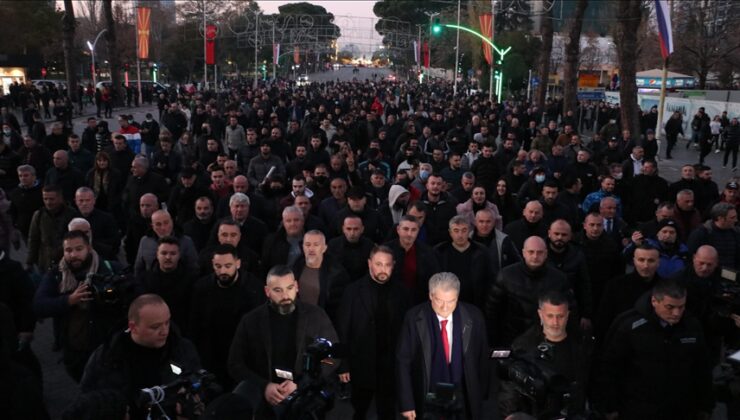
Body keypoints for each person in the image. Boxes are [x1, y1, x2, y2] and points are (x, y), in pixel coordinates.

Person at [227, 265, 339, 419]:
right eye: (278, 290)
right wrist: (264, 386)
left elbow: (333, 357)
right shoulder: (251, 321)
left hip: (305, 402)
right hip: (264, 404)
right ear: (267, 291)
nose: (285, 295)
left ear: (297, 287)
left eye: (290, 288)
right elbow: (235, 363)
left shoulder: (316, 316)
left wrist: (301, 385)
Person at [598, 278, 713, 419]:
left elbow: (702, 368)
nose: (676, 313)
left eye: (681, 307)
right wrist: (609, 406)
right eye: (670, 307)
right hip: (638, 408)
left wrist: (705, 405)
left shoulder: (692, 326)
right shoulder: (629, 326)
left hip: (680, 409)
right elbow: (610, 367)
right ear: (654, 301)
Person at [79, 294, 201, 420]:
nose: (164, 331)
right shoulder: (107, 357)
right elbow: (90, 401)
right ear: (133, 327)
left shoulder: (182, 349)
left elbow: (198, 382)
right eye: (155, 327)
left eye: (167, 322)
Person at [396, 272, 493, 420]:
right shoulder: (414, 318)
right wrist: (407, 403)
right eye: (439, 300)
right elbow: (403, 362)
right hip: (428, 391)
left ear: (458, 297)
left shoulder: (474, 316)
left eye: (451, 301)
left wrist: (481, 394)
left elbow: (482, 357)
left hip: (464, 391)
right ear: (430, 295)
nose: (445, 307)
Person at [33, 230, 124, 382]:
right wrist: (69, 300)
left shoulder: (110, 269)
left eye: (78, 249)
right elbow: (39, 306)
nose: (73, 254)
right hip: (76, 350)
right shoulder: (57, 275)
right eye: (68, 250)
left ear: (88, 248)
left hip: (109, 347)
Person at [337, 246, 411, 420]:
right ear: (370, 264)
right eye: (378, 264)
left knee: (387, 411)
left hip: (390, 364)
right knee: (358, 409)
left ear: (393, 265)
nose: (383, 269)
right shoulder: (353, 291)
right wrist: (343, 365)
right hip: (361, 363)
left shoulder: (402, 292)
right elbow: (342, 328)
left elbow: (408, 330)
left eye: (387, 265)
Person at [498, 290, 591, 418]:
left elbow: (591, 379)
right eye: (550, 316)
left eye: (560, 316)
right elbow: (509, 389)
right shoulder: (523, 346)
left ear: (568, 315)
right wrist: (511, 414)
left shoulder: (580, 344)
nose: (555, 322)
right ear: (540, 314)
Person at [189, 244, 262, 388]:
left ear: (238, 263)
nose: (223, 271)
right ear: (212, 265)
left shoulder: (253, 288)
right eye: (218, 266)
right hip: (210, 355)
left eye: (228, 266)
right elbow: (194, 324)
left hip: (242, 355)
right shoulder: (202, 288)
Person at [486, 236, 571, 347]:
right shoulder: (506, 275)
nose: (535, 256)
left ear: (546, 254)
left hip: (547, 341)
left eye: (539, 252)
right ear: (523, 253)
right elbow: (492, 312)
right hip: (512, 339)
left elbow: (569, 313)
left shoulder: (559, 279)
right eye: (531, 252)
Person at [595, 244, 661, 341]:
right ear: (634, 261)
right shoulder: (615, 285)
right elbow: (604, 318)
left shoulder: (664, 287)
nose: (646, 266)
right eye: (641, 260)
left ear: (658, 262)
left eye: (651, 261)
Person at [136, 237, 196, 332]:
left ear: (179, 255)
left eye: (173, 253)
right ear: (157, 255)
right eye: (164, 253)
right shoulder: (144, 279)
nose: (168, 257)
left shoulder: (192, 280)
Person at [291, 230, 350, 322]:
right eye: (307, 244)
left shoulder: (336, 274)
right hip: (298, 320)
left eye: (316, 245)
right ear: (303, 247)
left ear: (324, 248)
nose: (311, 248)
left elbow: (340, 308)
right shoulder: (295, 268)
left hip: (324, 323)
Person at [385, 215, 440, 304]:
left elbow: (435, 279)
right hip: (390, 301)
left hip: (419, 302)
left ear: (418, 231)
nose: (409, 234)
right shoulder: (385, 250)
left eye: (414, 230)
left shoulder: (428, 253)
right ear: (398, 230)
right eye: (406, 229)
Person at [133, 209, 198, 280]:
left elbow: (193, 267)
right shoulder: (145, 241)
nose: (163, 228)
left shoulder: (186, 241)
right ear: (152, 226)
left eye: (166, 223)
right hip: (151, 284)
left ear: (172, 222)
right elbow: (139, 267)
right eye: (158, 224)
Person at [26, 185, 78, 273]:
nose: (48, 202)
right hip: (44, 262)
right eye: (45, 199)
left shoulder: (71, 214)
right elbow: (33, 239)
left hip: (66, 262)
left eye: (51, 199)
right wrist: (30, 262)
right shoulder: (39, 215)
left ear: (60, 198)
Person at [688, 202, 740, 269]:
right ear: (721, 218)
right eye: (732, 218)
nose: (736, 220)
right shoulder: (701, 234)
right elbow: (691, 258)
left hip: (731, 275)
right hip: (708, 274)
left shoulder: (736, 233)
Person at [74, 187, 120, 260]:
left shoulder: (107, 218)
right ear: (76, 201)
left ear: (94, 201)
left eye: (88, 200)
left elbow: (114, 243)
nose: (84, 203)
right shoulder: (70, 219)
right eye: (81, 200)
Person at [326, 214, 375, 280]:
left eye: (356, 229)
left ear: (362, 229)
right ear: (343, 229)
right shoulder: (333, 245)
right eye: (348, 229)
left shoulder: (369, 245)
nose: (352, 233)